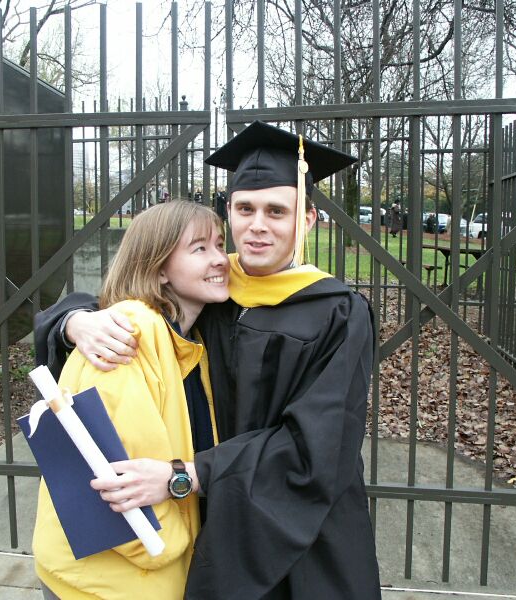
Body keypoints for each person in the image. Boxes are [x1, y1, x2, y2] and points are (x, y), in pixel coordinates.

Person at [35, 121, 382, 599]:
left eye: (276, 211)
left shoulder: (338, 312)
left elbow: (317, 444)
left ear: (306, 220)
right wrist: (73, 321)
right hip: (209, 516)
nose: (257, 225)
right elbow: (132, 298)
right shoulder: (213, 288)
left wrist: (188, 474)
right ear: (230, 213)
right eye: (245, 209)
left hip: (301, 525)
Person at [32, 201, 226, 600]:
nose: (221, 259)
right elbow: (118, 478)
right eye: (200, 248)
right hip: (111, 583)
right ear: (158, 267)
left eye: (221, 244)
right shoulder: (126, 336)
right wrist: (171, 546)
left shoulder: (187, 337)